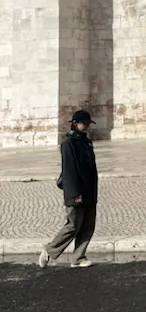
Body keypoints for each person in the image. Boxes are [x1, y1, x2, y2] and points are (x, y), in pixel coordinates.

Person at [38, 110, 99, 269]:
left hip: (89, 191)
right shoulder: (68, 144)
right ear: (75, 123)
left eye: (87, 123)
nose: (86, 126)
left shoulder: (87, 143)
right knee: (73, 225)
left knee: (88, 226)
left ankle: (78, 257)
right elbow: (69, 172)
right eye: (83, 123)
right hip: (76, 193)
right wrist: (74, 195)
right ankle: (49, 250)